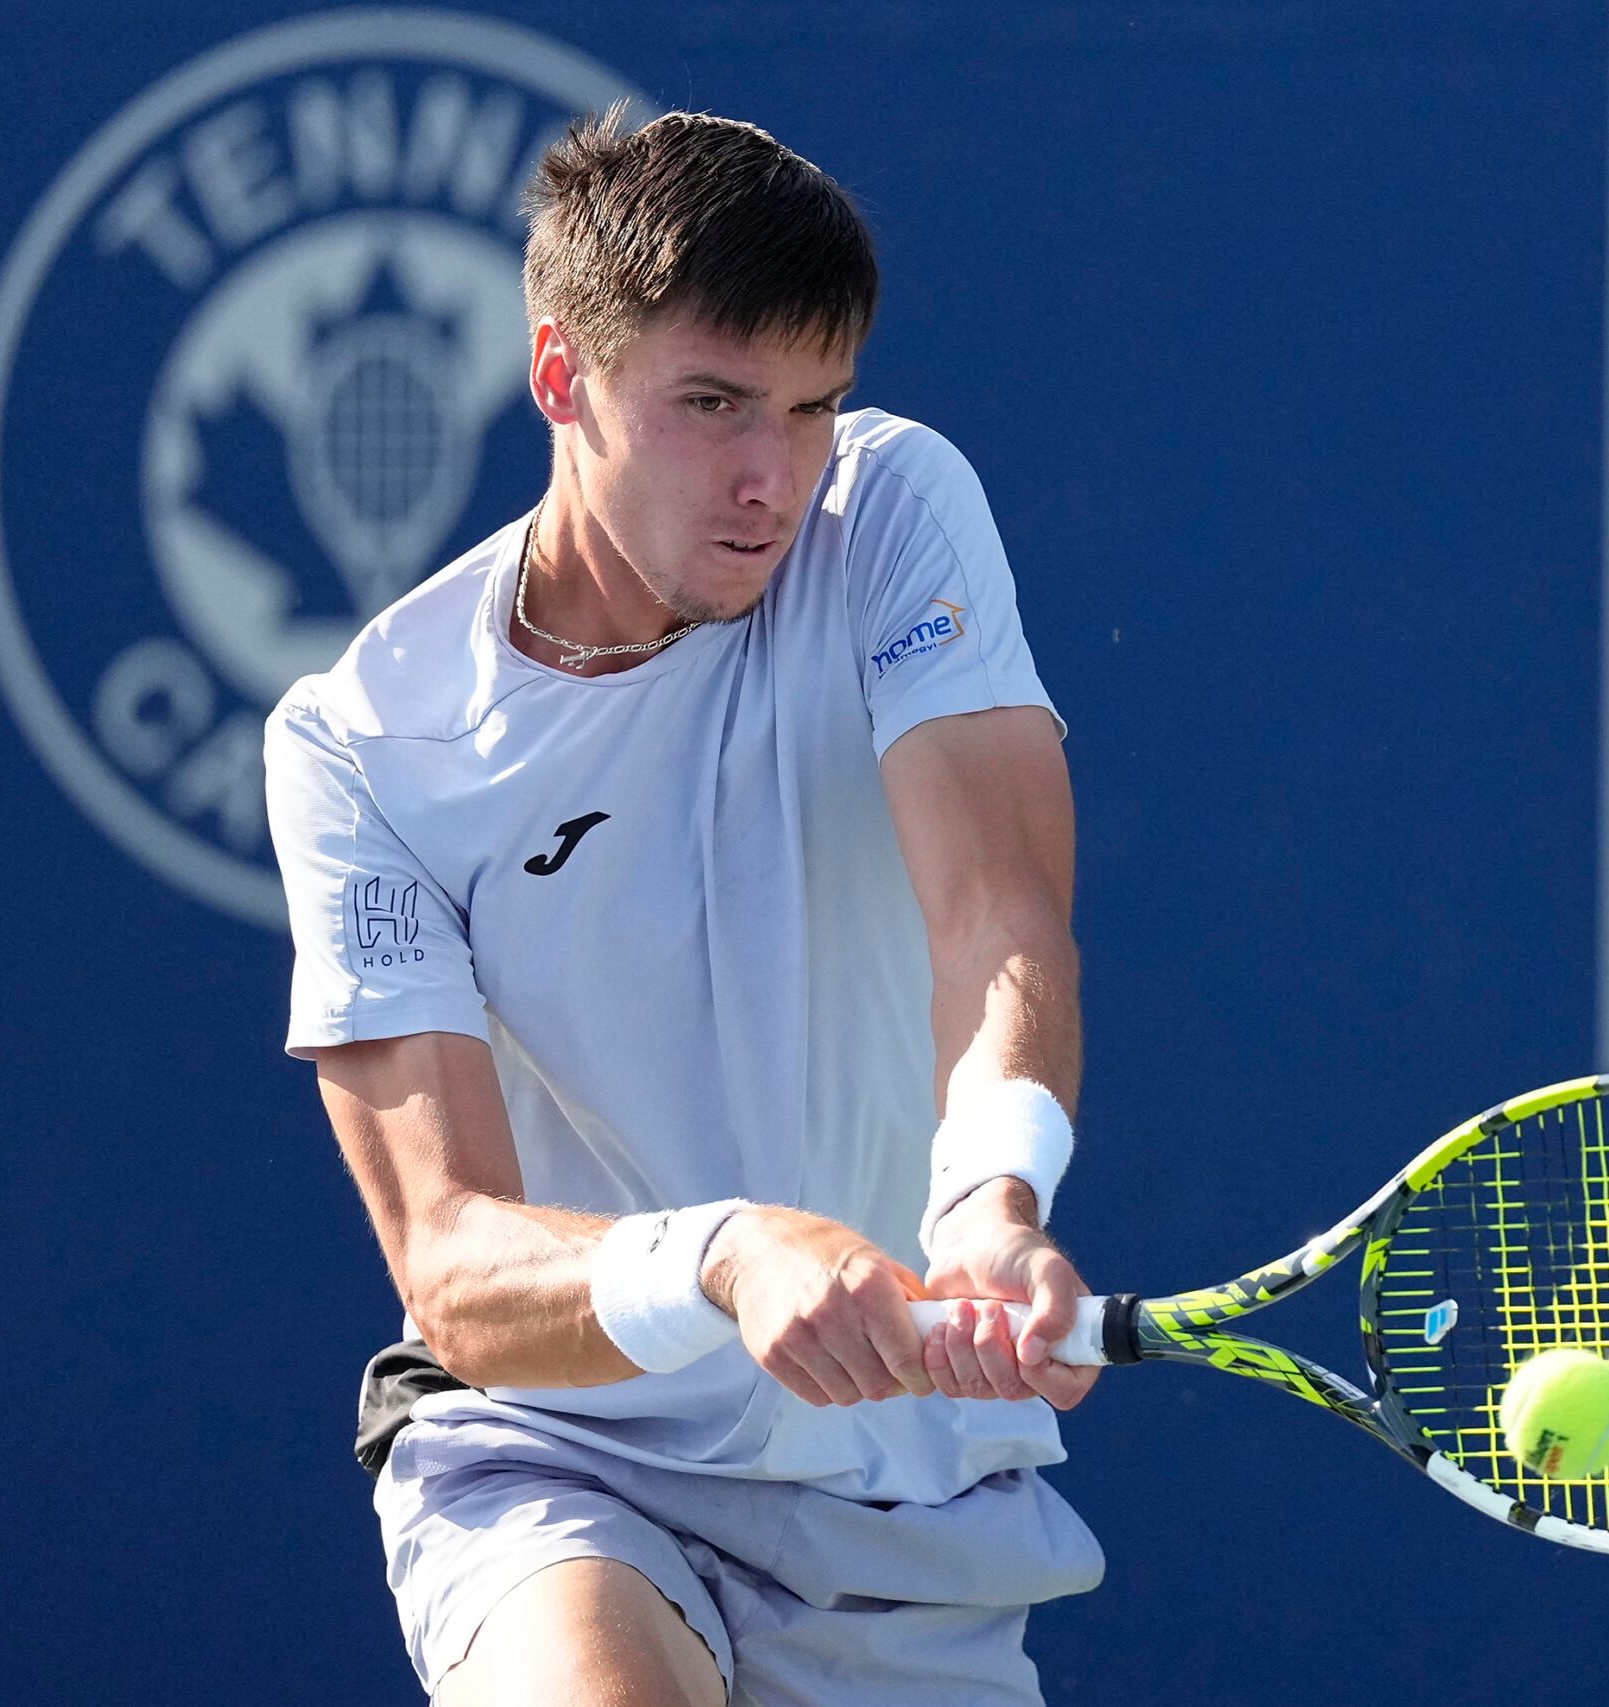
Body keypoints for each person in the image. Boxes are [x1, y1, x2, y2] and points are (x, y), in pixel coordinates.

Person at [263, 107, 1103, 1705]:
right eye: (711, 405)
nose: (770, 478)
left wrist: (991, 1202)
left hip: (904, 1504)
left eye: (811, 408)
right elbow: (450, 1264)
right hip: (567, 1465)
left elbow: (996, 913)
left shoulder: (890, 511)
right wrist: (729, 1254)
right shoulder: (362, 744)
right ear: (561, 377)